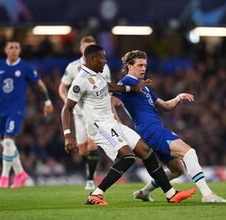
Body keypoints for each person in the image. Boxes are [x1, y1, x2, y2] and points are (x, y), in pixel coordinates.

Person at [61, 44, 195, 205]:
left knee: (146, 151)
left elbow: (111, 87)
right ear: (91, 59)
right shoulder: (80, 81)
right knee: (128, 157)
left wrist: (133, 88)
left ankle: (171, 194)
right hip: (100, 127)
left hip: (112, 122)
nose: (105, 61)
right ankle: (96, 194)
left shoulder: (97, 76)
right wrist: (67, 135)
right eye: (102, 58)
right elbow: (66, 109)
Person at [113, 50, 226, 203]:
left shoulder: (143, 87)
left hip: (154, 129)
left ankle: (144, 192)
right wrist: (118, 127)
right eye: (140, 65)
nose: (143, 68)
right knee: (189, 153)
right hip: (151, 130)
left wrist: (179, 97)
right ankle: (207, 195)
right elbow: (111, 103)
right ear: (129, 66)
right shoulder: (126, 82)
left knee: (177, 170)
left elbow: (166, 105)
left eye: (145, 65)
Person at [0, 40, 54, 188]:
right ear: (6, 50)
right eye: (11, 47)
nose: (14, 50)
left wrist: (47, 102)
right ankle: (20, 173)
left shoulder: (25, 67)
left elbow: (39, 84)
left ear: (20, 50)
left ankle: (4, 178)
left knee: (8, 141)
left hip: (17, 110)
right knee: (6, 144)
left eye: (16, 48)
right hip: (1, 110)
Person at [58, 35, 111, 190]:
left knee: (92, 144)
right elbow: (62, 88)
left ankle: (90, 180)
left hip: (95, 113)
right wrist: (68, 102)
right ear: (81, 49)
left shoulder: (103, 66)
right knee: (82, 151)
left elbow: (108, 87)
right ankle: (90, 170)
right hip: (78, 114)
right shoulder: (72, 66)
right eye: (85, 47)